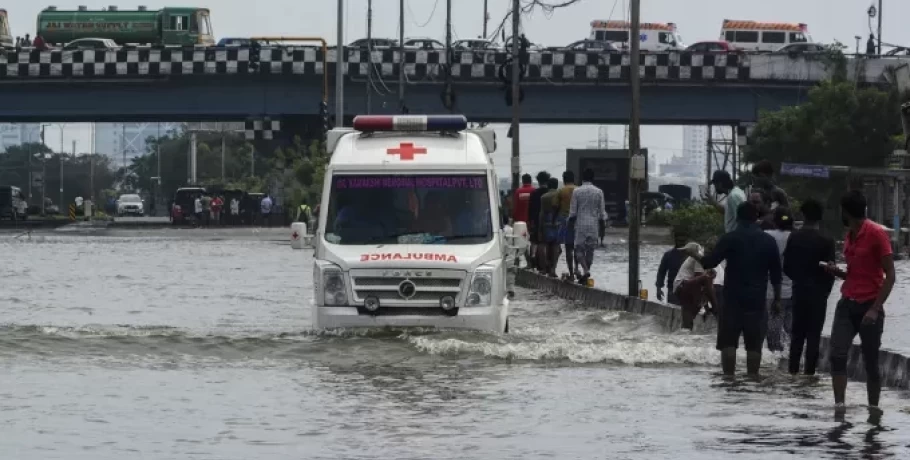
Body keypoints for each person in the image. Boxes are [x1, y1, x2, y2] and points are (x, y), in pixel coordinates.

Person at [687, 202, 782, 376]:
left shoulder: (729, 238)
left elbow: (709, 262)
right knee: (754, 345)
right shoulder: (769, 241)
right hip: (757, 298)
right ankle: (752, 379)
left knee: (729, 343)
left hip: (732, 298)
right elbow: (776, 273)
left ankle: (729, 379)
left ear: (737, 218)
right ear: (757, 218)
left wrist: (694, 253)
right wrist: (777, 299)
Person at [824, 191, 895, 413]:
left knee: (871, 360)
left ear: (845, 212)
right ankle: (840, 406)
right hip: (847, 302)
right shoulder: (849, 235)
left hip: (869, 306)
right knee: (837, 354)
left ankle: (874, 410)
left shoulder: (876, 234)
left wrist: (875, 309)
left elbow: (890, 275)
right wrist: (838, 272)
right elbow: (856, 273)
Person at [783, 198, 835, 376]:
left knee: (797, 334)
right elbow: (831, 270)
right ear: (820, 218)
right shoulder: (827, 240)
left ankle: (793, 372)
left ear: (803, 215)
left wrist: (798, 279)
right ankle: (809, 375)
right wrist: (825, 291)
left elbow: (786, 266)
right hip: (819, 293)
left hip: (799, 290)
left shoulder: (794, 236)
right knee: (814, 335)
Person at [569, 168, 607, 285]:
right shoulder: (599, 192)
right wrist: (602, 229)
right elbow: (602, 213)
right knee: (590, 251)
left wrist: (569, 224)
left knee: (579, 250)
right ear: (593, 178)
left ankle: (585, 270)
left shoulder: (577, 191)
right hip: (593, 225)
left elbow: (573, 213)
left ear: (582, 178)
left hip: (580, 225)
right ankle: (586, 274)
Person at [764, 207, 794, 353]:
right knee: (792, 329)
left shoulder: (767, 235)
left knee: (773, 329)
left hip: (774, 291)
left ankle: (774, 360)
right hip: (795, 291)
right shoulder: (796, 236)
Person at [673, 242, 719, 330]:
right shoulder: (700, 257)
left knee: (688, 323)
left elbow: (704, 285)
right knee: (706, 279)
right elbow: (702, 280)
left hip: (681, 288)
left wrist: (705, 306)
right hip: (683, 285)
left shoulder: (702, 259)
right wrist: (711, 305)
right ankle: (716, 309)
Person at [656, 231, 689, 305]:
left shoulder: (692, 255)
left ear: (687, 241)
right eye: (680, 241)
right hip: (673, 290)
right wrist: (658, 288)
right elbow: (661, 272)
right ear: (675, 241)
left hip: (689, 290)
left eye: (683, 241)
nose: (682, 243)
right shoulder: (668, 255)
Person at [556, 171, 578, 279]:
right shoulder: (579, 190)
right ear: (573, 179)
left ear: (564, 179)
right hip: (578, 221)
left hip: (565, 220)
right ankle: (577, 268)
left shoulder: (561, 191)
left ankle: (571, 273)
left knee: (568, 248)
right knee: (577, 247)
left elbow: (556, 206)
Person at [527, 171, 551, 272]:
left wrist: (529, 221)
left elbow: (530, 209)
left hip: (536, 220)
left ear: (538, 180)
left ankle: (533, 259)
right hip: (549, 221)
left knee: (534, 241)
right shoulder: (550, 192)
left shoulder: (534, 193)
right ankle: (546, 264)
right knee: (547, 243)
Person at [538, 177, 561, 277]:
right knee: (556, 246)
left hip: (546, 222)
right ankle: (553, 269)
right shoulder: (560, 196)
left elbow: (542, 213)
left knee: (545, 245)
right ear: (557, 185)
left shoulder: (544, 197)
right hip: (557, 222)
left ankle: (544, 267)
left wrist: (540, 227)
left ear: (548, 185)